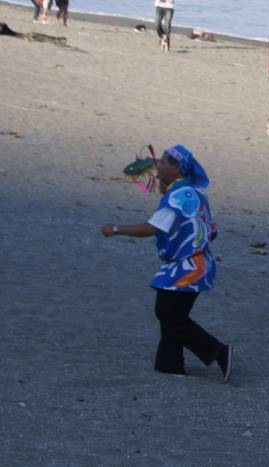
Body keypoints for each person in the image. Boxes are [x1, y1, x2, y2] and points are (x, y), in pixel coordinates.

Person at [99, 144, 234, 381]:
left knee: (167, 312)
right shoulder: (194, 193)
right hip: (199, 263)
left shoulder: (178, 196)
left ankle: (219, 352)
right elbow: (211, 231)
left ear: (176, 168)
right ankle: (169, 364)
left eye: (163, 161)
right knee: (172, 313)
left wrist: (116, 229)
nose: (157, 165)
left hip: (188, 265)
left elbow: (152, 228)